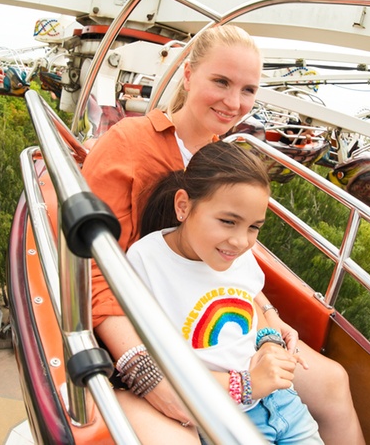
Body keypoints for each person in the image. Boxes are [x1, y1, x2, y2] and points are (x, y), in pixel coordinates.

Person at [81, 25, 363, 444]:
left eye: (248, 90)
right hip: (150, 333)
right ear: (189, 75)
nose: (234, 102)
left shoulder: (224, 157)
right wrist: (144, 370)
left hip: (220, 329)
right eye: (221, 82)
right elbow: (94, 269)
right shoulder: (129, 144)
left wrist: (269, 319)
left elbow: (236, 266)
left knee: (333, 381)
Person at [127, 142, 322, 443]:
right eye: (228, 222)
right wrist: (247, 384)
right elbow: (155, 361)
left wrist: (270, 344)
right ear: (183, 206)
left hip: (282, 401)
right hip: (225, 418)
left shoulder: (237, 256)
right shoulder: (146, 262)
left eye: (254, 227)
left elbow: (248, 304)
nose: (241, 241)